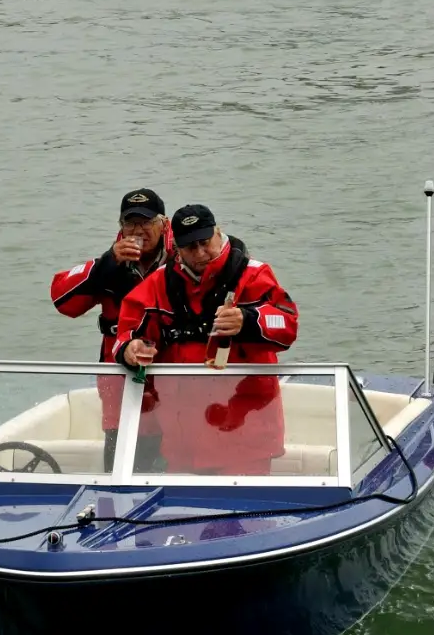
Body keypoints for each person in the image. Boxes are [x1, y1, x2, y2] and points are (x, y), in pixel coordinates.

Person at [113, 203, 298, 474]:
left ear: (218, 233)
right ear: (176, 246)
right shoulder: (158, 283)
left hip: (246, 430)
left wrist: (248, 320)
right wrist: (131, 348)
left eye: (204, 242)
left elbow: (287, 324)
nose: (200, 253)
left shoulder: (253, 274)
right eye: (190, 247)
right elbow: (126, 332)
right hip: (182, 436)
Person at [50, 188, 172, 469]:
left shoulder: (184, 258)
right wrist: (107, 264)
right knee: (119, 466)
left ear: (164, 224)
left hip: (170, 373)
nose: (138, 230)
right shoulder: (110, 263)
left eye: (146, 222)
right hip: (120, 376)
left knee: (175, 468)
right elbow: (63, 301)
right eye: (130, 223)